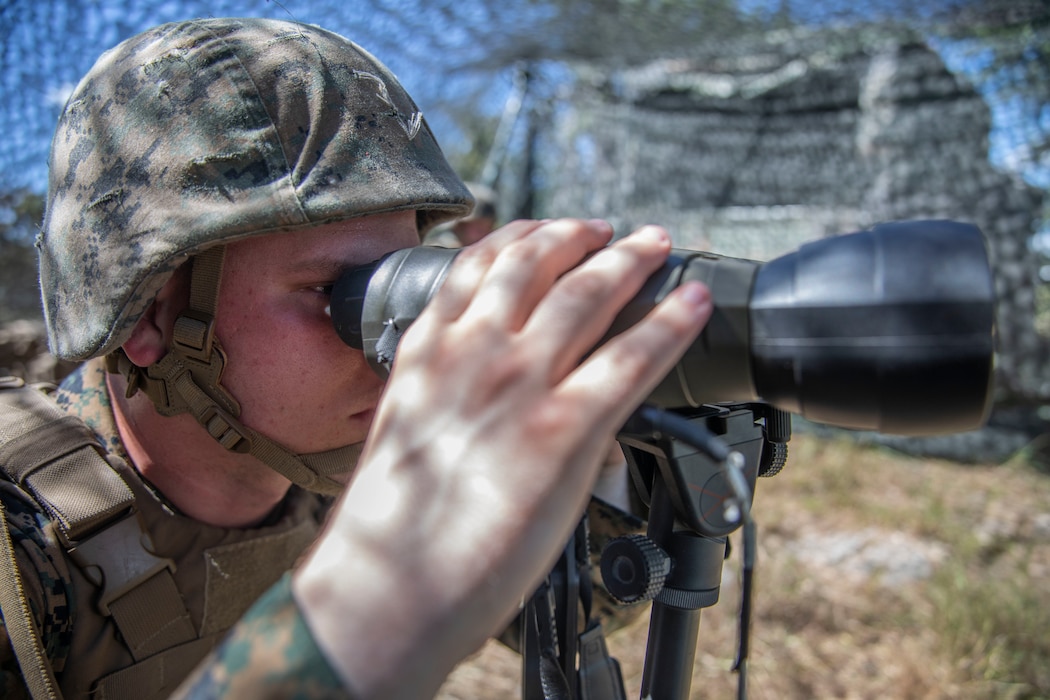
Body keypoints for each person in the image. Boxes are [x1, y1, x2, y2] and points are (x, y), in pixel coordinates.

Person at [0, 17, 712, 700]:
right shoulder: (20, 558)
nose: (392, 342)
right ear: (150, 312)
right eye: (337, 294)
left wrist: (602, 457)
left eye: (403, 282)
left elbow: (567, 618)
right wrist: (370, 604)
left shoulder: (330, 464)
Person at [422, 181, 499, 248]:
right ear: (459, 226)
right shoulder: (437, 251)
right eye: (478, 227)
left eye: (488, 227)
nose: (484, 233)